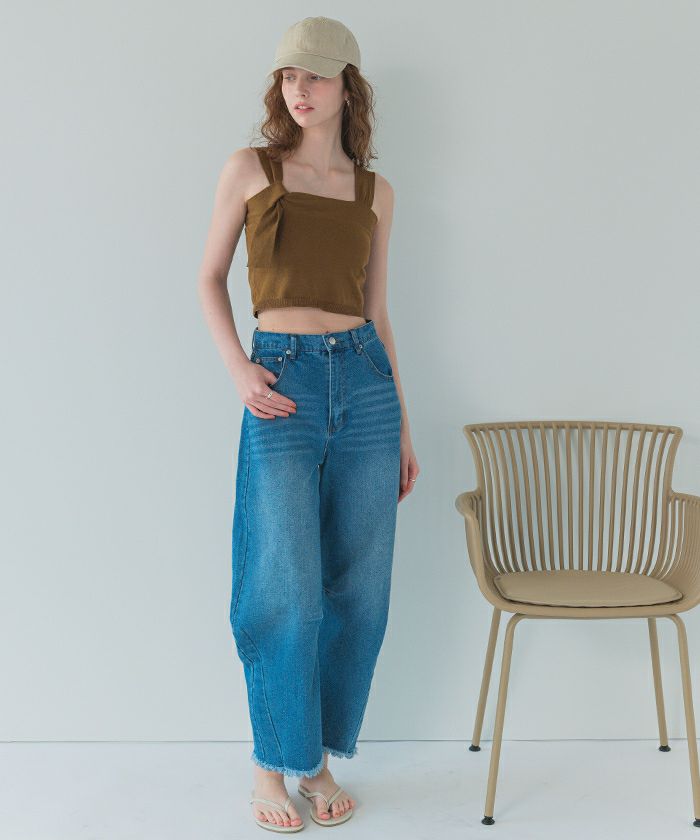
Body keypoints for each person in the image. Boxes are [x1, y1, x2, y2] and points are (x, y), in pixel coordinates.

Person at [198, 16, 419, 832]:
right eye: (292, 75)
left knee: (359, 592)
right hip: (280, 382)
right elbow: (209, 277)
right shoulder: (249, 169)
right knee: (283, 585)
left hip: (364, 386)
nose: (302, 89)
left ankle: (316, 760)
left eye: (318, 76)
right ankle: (272, 763)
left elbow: (379, 314)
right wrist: (239, 370)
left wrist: (402, 426)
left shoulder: (375, 192)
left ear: (347, 87)